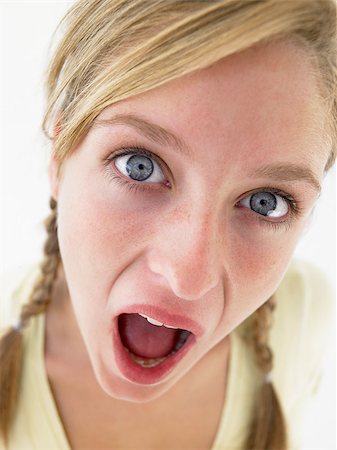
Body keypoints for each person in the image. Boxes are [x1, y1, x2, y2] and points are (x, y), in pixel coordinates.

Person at [0, 0, 335, 449]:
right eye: (139, 166)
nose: (187, 277)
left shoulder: (303, 313)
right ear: (60, 158)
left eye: (265, 202)